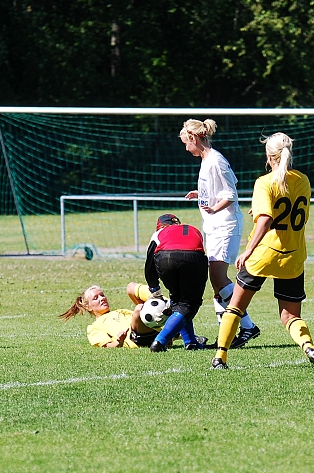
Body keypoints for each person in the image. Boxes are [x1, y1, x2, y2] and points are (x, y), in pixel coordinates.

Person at [211, 132, 314, 369]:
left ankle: (220, 357)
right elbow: (288, 211)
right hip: (293, 254)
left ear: (269, 156)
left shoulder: (264, 182)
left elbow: (266, 219)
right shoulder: (303, 180)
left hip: (264, 254)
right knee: (290, 316)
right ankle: (308, 346)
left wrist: (248, 251)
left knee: (235, 306)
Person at [181, 118, 261, 348]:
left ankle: (247, 326)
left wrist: (214, 207)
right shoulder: (206, 160)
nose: (186, 147)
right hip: (214, 226)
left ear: (194, 138)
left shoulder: (216, 160)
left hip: (226, 225)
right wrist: (202, 193)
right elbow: (218, 189)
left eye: (186, 142)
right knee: (216, 282)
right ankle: (230, 330)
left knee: (218, 278)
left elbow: (231, 193)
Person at [59, 282, 206, 349]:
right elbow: (106, 345)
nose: (102, 298)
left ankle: (164, 303)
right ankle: (166, 306)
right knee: (139, 309)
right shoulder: (94, 327)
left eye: (102, 295)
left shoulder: (120, 311)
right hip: (137, 339)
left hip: (152, 332)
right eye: (96, 298)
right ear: (87, 306)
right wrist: (119, 341)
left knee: (130, 287)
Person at [145, 214, 211, 352]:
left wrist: (154, 289)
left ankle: (190, 342)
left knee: (179, 302)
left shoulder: (159, 232)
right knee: (188, 304)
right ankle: (160, 341)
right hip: (193, 257)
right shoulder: (193, 229)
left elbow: (149, 264)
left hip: (165, 258)